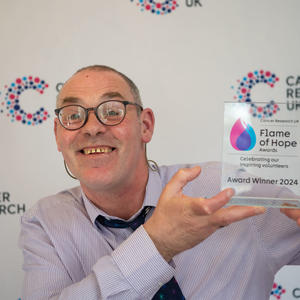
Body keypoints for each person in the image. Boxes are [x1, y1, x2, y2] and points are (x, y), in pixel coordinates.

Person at [19, 65, 300, 300]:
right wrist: (157, 244)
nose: (92, 128)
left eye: (113, 111)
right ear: (58, 135)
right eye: (73, 116)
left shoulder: (223, 189)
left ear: (146, 125)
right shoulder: (45, 221)